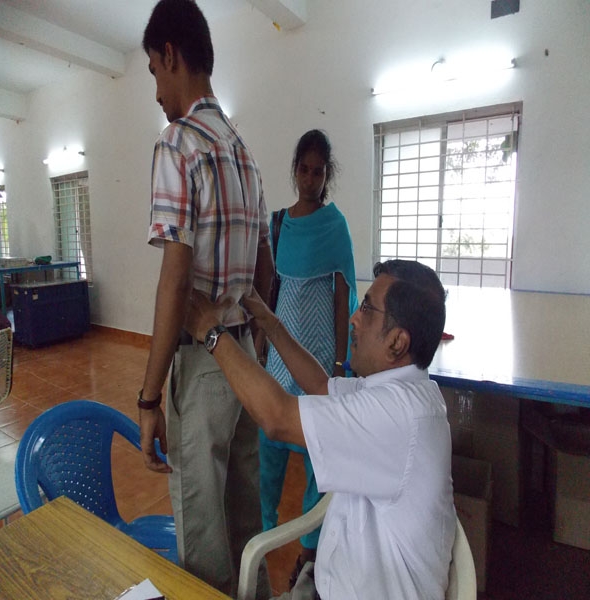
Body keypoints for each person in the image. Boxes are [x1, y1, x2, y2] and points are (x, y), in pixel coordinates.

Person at [186, 259, 456, 600]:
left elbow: (277, 417)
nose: (354, 318)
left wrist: (212, 334)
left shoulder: (397, 416)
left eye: (367, 309)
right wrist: (269, 321)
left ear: (397, 342)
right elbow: (319, 385)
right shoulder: (400, 392)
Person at [137, 1, 273, 597]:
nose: (158, 92)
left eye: (154, 72)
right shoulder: (243, 152)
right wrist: (257, 343)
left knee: (203, 539)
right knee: (245, 522)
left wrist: (149, 397)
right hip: (243, 361)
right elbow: (266, 266)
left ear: (171, 55)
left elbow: (175, 279)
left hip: (202, 362)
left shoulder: (178, 143)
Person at [260, 129, 358, 583]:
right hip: (279, 356)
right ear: (295, 170)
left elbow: (342, 295)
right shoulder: (280, 224)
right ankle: (263, 532)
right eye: (304, 169)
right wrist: (263, 348)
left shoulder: (334, 226)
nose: (310, 179)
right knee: (269, 447)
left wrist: (338, 363)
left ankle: (310, 548)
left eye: (319, 172)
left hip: (317, 359)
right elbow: (271, 289)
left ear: (327, 175)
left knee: (318, 457)